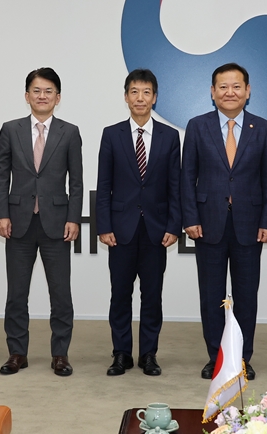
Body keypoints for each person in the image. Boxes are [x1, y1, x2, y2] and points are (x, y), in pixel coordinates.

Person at [181, 62, 267, 381]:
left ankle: (243, 357)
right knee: (211, 295)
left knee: (246, 295)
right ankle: (217, 356)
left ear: (248, 91)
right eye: (223, 86)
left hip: (250, 224)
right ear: (212, 92)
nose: (230, 92)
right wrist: (190, 217)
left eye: (237, 86)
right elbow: (187, 177)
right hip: (207, 223)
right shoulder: (197, 126)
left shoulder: (262, 129)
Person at [0, 67, 83, 377]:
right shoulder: (10, 129)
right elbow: (0, 175)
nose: (42, 96)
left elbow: (77, 181)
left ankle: (60, 354)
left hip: (57, 224)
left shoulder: (69, 132)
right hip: (17, 222)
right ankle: (17, 352)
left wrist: (74, 218)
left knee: (60, 294)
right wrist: (1, 213)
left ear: (57, 97)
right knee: (16, 293)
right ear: (26, 95)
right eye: (36, 90)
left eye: (48, 91)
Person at [96, 69, 181, 377]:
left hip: (156, 230)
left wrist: (173, 225)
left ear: (155, 97)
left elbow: (176, 186)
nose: (140, 98)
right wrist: (103, 226)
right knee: (119, 294)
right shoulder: (111, 134)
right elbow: (103, 184)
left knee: (152, 295)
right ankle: (120, 353)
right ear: (126, 96)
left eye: (146, 92)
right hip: (120, 230)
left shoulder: (170, 137)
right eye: (134, 91)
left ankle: (148, 354)